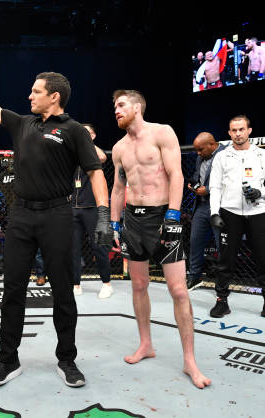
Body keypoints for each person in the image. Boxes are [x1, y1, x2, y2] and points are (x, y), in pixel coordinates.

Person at [0, 55, 112, 387]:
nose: (29, 96)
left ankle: (67, 359)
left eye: (35, 91)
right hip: (21, 216)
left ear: (53, 96)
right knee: (12, 288)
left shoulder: (73, 130)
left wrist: (103, 215)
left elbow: (95, 172)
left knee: (62, 292)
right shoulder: (23, 123)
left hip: (58, 215)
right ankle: (7, 360)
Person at [109, 89, 210, 389]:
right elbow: (117, 188)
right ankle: (146, 345)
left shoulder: (162, 133)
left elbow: (176, 175)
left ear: (138, 106)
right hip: (133, 220)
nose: (116, 109)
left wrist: (174, 216)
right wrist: (114, 224)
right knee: (139, 285)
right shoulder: (118, 148)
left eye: (121, 104)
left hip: (162, 216)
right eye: (114, 106)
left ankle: (190, 360)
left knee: (178, 290)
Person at [208, 115, 265, 318]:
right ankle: (222, 301)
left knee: (263, 258)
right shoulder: (222, 157)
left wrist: (260, 193)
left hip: (258, 212)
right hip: (230, 213)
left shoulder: (261, 155)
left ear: (249, 130)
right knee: (225, 260)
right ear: (229, 132)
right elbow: (214, 187)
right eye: (234, 130)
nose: (238, 133)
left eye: (241, 129)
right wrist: (214, 212)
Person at [72, 123, 113, 298]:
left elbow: (103, 157)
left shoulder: (94, 153)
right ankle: (75, 284)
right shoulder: (72, 153)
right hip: (72, 208)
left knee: (99, 246)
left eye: (87, 133)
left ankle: (106, 283)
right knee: (72, 248)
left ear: (93, 136)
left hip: (92, 208)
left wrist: (85, 141)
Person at [185, 132, 226, 290]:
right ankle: (194, 277)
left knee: (221, 245)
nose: (198, 153)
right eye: (197, 150)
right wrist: (194, 185)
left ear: (212, 144)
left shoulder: (226, 155)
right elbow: (198, 175)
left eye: (201, 149)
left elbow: (229, 181)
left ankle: (223, 282)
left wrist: (207, 190)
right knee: (195, 242)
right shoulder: (200, 156)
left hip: (220, 206)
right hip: (201, 206)